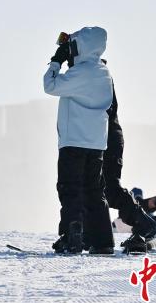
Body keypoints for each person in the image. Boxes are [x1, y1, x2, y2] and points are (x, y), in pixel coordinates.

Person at [44, 27, 114, 255]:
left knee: (70, 189)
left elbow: (50, 85)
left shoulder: (80, 73)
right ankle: (103, 241)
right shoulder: (103, 72)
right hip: (96, 144)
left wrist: (56, 61)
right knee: (94, 191)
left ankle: (71, 236)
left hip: (73, 140)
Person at [96, 62, 156, 252]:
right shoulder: (94, 74)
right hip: (99, 138)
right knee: (95, 188)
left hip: (106, 138)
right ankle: (92, 232)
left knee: (109, 188)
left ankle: (145, 224)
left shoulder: (97, 75)